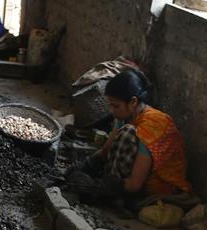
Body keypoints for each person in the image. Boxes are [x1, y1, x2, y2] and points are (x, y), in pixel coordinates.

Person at [63, 70, 191, 201]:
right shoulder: (126, 115)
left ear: (133, 102)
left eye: (116, 106)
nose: (112, 111)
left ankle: (113, 197)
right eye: (110, 105)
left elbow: (134, 184)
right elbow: (105, 152)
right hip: (134, 178)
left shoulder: (151, 126)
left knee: (128, 133)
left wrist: (97, 187)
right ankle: (109, 189)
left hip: (157, 187)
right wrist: (83, 166)